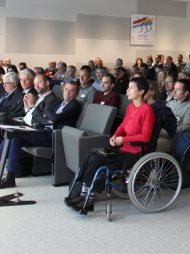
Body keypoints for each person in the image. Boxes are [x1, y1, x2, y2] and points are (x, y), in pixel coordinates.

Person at [64, 78, 155, 214]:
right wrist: (114, 136)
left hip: (136, 151)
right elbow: (123, 126)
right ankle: (83, 194)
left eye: (131, 88)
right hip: (124, 147)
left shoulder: (147, 110)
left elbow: (145, 137)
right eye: (128, 87)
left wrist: (122, 139)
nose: (127, 90)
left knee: (98, 160)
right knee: (91, 155)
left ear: (141, 91)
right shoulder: (131, 107)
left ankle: (89, 199)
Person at [0, 81, 82, 188]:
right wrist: (47, 117)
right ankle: (10, 178)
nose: (67, 93)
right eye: (66, 89)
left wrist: (48, 116)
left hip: (53, 136)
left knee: (14, 134)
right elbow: (43, 116)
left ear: (76, 94)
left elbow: (54, 118)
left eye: (71, 91)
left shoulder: (75, 105)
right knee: (15, 139)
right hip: (42, 130)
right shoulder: (56, 103)